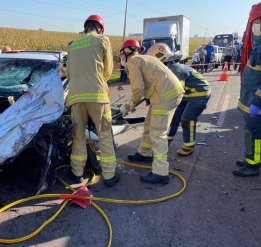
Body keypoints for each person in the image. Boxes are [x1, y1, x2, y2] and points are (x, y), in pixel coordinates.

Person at [119, 39, 184, 184]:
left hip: (164, 96)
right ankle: (144, 153)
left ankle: (161, 172)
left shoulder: (133, 61)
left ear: (127, 52)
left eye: (121, 55)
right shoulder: (145, 58)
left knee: (157, 133)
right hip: (165, 94)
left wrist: (129, 106)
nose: (121, 59)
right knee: (149, 124)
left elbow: (137, 88)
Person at [66, 14, 119, 187]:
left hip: (75, 96)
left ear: (85, 27)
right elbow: (108, 70)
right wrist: (98, 82)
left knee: (78, 136)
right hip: (97, 95)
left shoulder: (72, 45)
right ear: (100, 28)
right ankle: (109, 176)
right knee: (104, 135)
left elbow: (68, 74)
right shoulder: (103, 40)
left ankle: (77, 173)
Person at [147, 43, 211, 156]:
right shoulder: (167, 69)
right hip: (187, 93)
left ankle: (188, 147)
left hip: (199, 94)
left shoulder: (175, 69)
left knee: (186, 119)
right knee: (174, 117)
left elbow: (176, 91)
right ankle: (168, 140)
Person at [232, 2, 261, 177]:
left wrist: (257, 102)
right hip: (249, 100)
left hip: (255, 102)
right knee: (250, 131)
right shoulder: (259, 47)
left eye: (257, 24)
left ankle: (252, 165)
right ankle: (251, 158)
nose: (255, 28)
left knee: (254, 133)